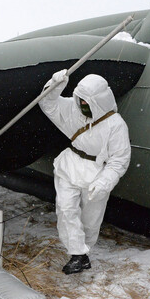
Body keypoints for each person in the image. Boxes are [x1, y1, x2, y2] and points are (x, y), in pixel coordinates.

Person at [39, 70, 131, 274]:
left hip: (96, 173)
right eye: (79, 100)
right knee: (66, 210)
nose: (81, 105)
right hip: (70, 165)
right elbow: (48, 104)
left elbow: (119, 159)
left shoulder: (115, 125)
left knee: (90, 220)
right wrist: (55, 85)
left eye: (86, 102)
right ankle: (77, 254)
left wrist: (105, 182)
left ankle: (84, 254)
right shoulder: (73, 110)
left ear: (99, 101)